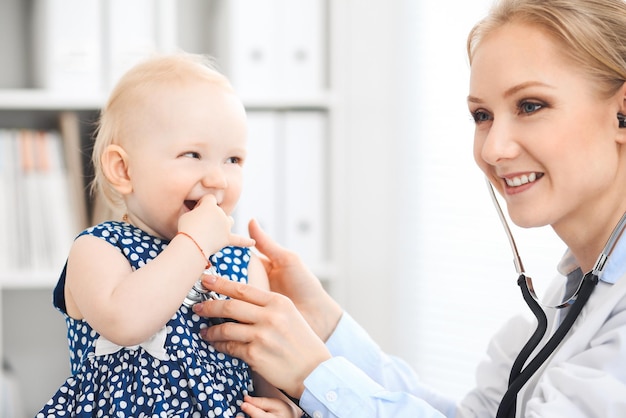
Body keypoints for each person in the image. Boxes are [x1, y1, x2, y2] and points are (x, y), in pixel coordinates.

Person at [190, 0, 626, 417]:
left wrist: (312, 376)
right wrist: (323, 324)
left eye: (530, 106)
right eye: (481, 116)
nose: (493, 148)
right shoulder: (575, 291)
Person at [37, 53, 299, 417]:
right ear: (123, 169)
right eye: (192, 154)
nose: (217, 179)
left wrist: (284, 408)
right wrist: (194, 244)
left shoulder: (243, 265)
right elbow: (126, 322)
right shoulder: (97, 248)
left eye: (233, 160)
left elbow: (263, 360)